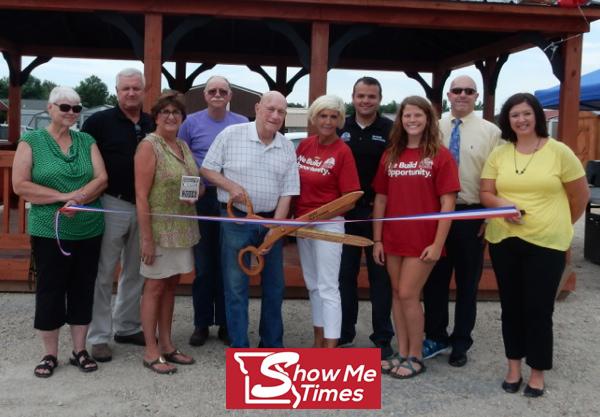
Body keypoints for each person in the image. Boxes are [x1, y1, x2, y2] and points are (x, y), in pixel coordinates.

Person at [480, 93, 588, 397]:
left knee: (538, 309)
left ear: (537, 116)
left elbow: (580, 196)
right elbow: (486, 193)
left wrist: (561, 223)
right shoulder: (500, 154)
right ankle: (513, 367)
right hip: (504, 239)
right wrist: (503, 204)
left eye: (526, 114)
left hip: (546, 243)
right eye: (515, 115)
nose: (521, 120)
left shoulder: (559, 152)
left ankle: (537, 371)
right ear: (507, 120)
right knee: (510, 307)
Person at [12, 86, 108, 377]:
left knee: (83, 287)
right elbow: (21, 185)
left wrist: (79, 198)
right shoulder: (31, 141)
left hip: (88, 229)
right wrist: (60, 197)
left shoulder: (86, 139)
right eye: (64, 107)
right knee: (50, 289)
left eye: (76, 108)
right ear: (50, 108)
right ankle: (49, 354)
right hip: (48, 230)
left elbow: (101, 178)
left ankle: (79, 349)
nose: (71, 113)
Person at [200, 91, 299, 348]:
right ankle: (240, 346)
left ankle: (271, 344)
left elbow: (288, 192)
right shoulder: (231, 135)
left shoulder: (287, 146)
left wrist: (275, 228)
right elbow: (207, 169)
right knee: (235, 287)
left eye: (281, 111)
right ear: (257, 108)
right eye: (270, 109)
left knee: (275, 287)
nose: (275, 115)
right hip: (236, 221)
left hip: (272, 223)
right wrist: (230, 185)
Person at [373, 96, 459, 379]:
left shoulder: (440, 155)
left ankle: (416, 354)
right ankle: (402, 350)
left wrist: (438, 244)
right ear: (400, 120)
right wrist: (377, 239)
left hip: (423, 241)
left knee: (409, 294)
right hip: (393, 238)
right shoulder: (391, 154)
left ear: (428, 119)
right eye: (407, 116)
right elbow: (381, 200)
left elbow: (448, 204)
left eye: (417, 116)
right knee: (397, 295)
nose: (412, 120)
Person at [422, 75, 503, 367]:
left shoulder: (491, 132)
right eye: (457, 90)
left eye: (469, 91)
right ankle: (435, 336)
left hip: (472, 215)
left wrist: (490, 217)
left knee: (468, 285)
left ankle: (461, 342)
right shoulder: (433, 127)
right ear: (448, 94)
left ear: (477, 96)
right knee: (434, 281)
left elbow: (499, 178)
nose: (462, 95)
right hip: (436, 216)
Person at [83, 68, 154, 363]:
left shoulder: (153, 123)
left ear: (144, 90)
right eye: (125, 88)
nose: (131, 93)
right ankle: (99, 336)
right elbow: (84, 160)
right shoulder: (98, 122)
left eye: (136, 88)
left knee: (137, 271)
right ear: (116, 91)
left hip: (146, 207)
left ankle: (126, 326)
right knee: (103, 271)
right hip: (111, 203)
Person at [179, 76, 248, 347]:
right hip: (203, 198)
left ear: (230, 95)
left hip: (232, 200)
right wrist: (191, 190)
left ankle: (227, 324)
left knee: (229, 265)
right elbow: (182, 158)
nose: (217, 94)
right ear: (205, 95)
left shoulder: (242, 123)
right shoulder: (191, 122)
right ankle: (202, 323)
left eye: (223, 91)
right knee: (205, 265)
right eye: (212, 91)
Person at [135, 91, 201, 374]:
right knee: (155, 287)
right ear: (156, 116)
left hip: (183, 229)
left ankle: (167, 344)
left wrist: (198, 191)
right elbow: (140, 195)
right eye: (166, 112)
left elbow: (196, 182)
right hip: (159, 231)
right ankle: (150, 350)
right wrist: (146, 238)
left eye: (176, 113)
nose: (171, 117)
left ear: (182, 118)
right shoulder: (149, 146)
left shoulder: (183, 146)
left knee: (172, 286)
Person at [294, 95, 360, 348]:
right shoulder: (305, 146)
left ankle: (330, 349)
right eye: (323, 115)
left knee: (329, 287)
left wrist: (316, 217)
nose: (328, 121)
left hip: (328, 224)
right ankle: (318, 339)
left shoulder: (343, 151)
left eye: (334, 116)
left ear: (340, 120)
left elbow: (350, 199)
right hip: (301, 224)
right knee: (313, 285)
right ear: (314, 117)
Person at [337, 76, 394, 359]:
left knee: (379, 278)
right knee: (345, 275)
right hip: (345, 213)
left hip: (378, 212)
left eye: (371, 96)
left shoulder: (390, 130)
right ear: (353, 97)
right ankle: (345, 332)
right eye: (361, 96)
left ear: (379, 99)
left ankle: (382, 336)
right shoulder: (340, 127)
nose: (365, 101)